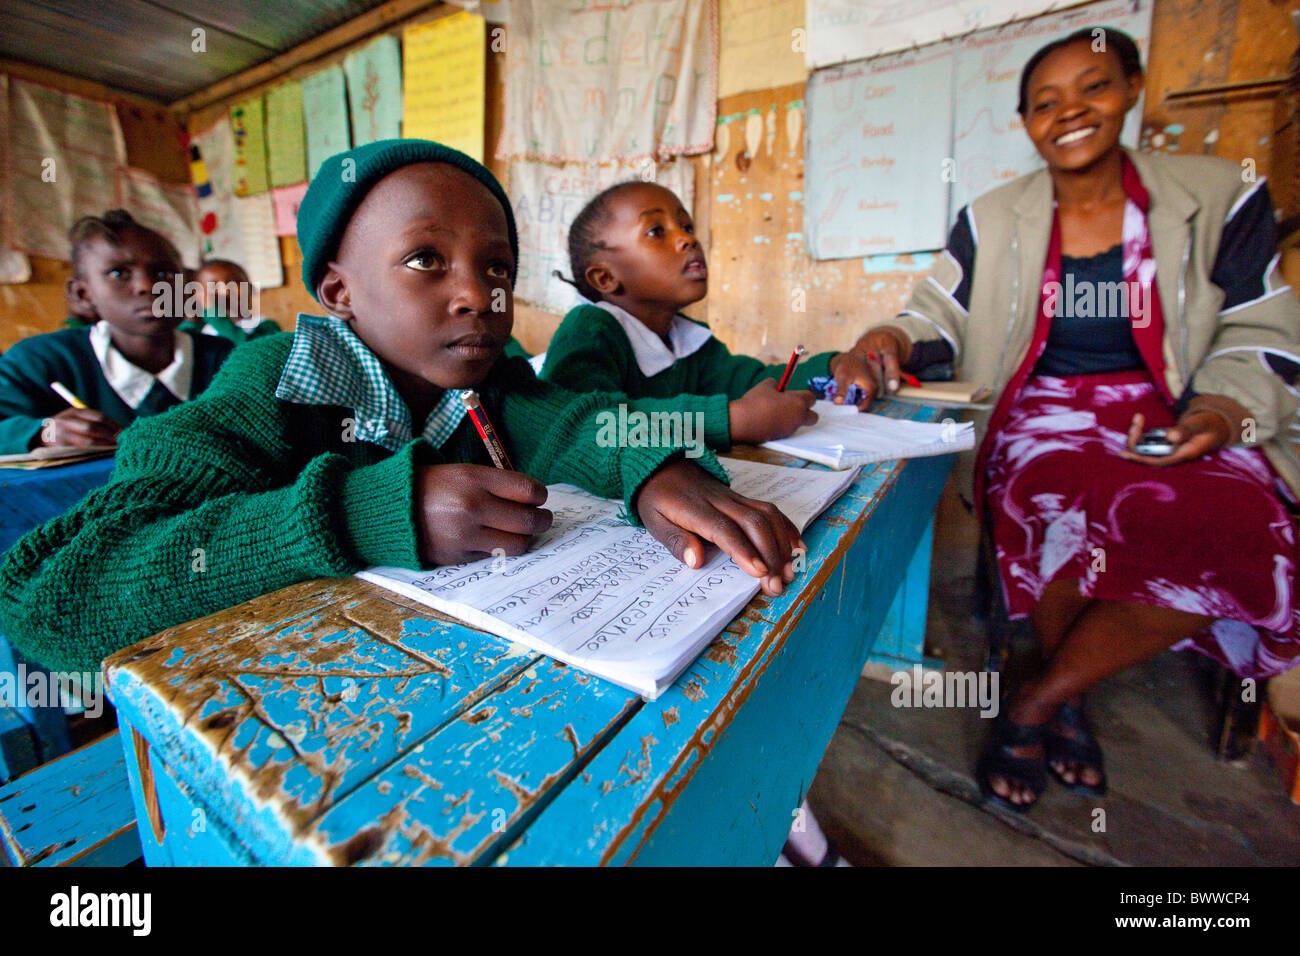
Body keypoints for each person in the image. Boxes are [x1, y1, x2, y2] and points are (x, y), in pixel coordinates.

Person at [0, 140, 806, 676]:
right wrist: (364, 514)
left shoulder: (488, 389)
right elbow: (44, 600)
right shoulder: (272, 381)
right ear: (339, 293)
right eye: (426, 259)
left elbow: (577, 420)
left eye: (497, 267)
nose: (475, 295)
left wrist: (653, 468)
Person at [849, 28, 1300, 812]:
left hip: (1178, 408)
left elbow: (1263, 322)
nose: (1070, 113)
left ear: (1130, 88)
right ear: (1026, 123)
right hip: (1041, 412)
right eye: (1045, 103)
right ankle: (1070, 701)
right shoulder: (995, 217)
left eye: (1092, 88)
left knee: (1253, 522)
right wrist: (887, 340)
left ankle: (1038, 698)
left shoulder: (1218, 194)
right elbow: (938, 316)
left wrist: (1225, 409)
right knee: (1058, 497)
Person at [539, 182, 878, 448]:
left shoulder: (688, 338)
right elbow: (591, 426)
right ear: (606, 278)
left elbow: (752, 382)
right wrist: (732, 421)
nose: (687, 238)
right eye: (657, 231)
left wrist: (833, 368)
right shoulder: (589, 330)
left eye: (686, 225)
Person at [0, 210, 233, 454]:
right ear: (83, 294)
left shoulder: (226, 359)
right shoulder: (39, 361)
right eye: (118, 273)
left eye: (165, 273)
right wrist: (43, 433)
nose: (148, 286)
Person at [179, 258, 281, 344]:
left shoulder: (266, 326)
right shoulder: (198, 330)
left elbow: (244, 348)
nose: (226, 291)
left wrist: (213, 313)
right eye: (214, 286)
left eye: (235, 282)